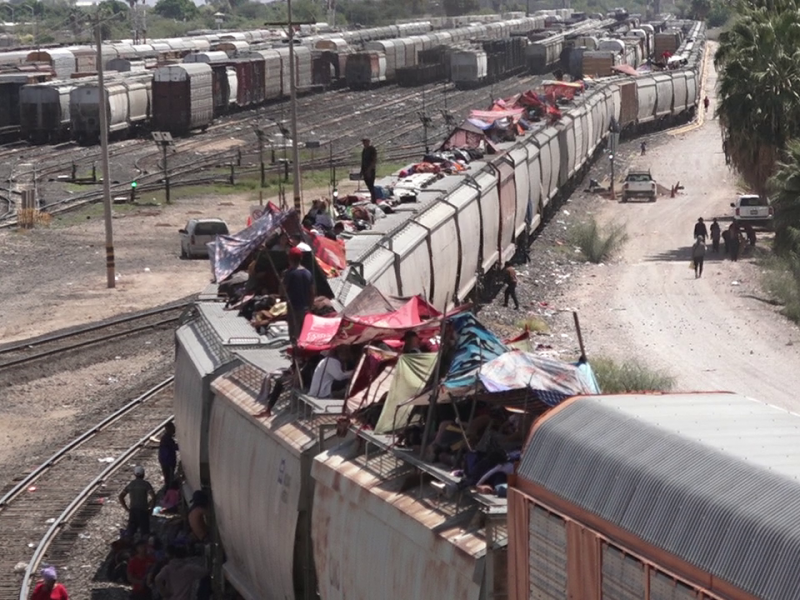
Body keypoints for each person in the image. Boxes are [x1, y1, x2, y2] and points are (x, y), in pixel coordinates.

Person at [283, 246, 313, 339]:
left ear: (290, 259)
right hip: (305, 308)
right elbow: (312, 292)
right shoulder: (308, 273)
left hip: (294, 308)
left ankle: (295, 350)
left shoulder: (290, 273)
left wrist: (282, 278)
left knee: (294, 335)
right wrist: (310, 306)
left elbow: (282, 290)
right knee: (303, 333)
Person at [119, 466, 156, 538]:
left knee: (131, 531)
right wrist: (151, 508)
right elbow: (153, 496)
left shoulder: (131, 484)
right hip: (143, 510)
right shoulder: (146, 484)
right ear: (143, 474)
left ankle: (130, 545)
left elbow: (121, 496)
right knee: (145, 532)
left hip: (133, 510)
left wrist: (126, 509)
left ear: (135, 475)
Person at [158, 422, 178, 490]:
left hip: (165, 461)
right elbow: (174, 447)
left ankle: (167, 491)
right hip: (168, 462)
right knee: (169, 479)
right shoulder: (167, 439)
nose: (174, 429)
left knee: (167, 478)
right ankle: (168, 492)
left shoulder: (165, 438)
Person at [360, 138, 378, 202]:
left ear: (368, 142)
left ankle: (374, 199)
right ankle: (373, 198)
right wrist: (361, 171)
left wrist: (369, 170)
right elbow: (363, 161)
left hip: (370, 170)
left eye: (365, 142)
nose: (364, 143)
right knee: (368, 184)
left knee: (371, 185)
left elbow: (374, 161)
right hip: (365, 170)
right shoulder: (364, 150)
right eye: (363, 142)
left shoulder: (372, 149)